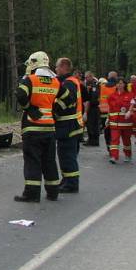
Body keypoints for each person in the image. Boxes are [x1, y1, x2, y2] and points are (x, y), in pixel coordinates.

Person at [14, 51, 61, 203]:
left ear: (33, 63)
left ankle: (32, 194)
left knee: (32, 161)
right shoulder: (55, 81)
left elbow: (20, 94)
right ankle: (53, 192)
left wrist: (29, 107)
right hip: (50, 128)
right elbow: (68, 98)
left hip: (32, 128)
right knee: (49, 161)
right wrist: (54, 110)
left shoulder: (30, 80)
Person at [54, 58, 83, 193]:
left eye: (57, 67)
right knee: (65, 155)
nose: (56, 70)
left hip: (68, 126)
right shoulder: (70, 81)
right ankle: (66, 180)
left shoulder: (69, 83)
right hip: (71, 125)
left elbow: (66, 102)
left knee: (67, 156)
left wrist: (53, 111)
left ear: (64, 67)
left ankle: (71, 184)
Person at [107, 78, 136, 163]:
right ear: (116, 85)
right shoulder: (112, 96)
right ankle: (114, 157)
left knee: (126, 140)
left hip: (126, 123)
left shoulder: (130, 95)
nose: (120, 85)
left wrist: (129, 112)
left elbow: (132, 104)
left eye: (121, 83)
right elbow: (110, 108)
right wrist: (107, 118)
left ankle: (128, 155)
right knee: (114, 140)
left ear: (124, 85)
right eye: (118, 83)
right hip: (114, 122)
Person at [99, 71, 118, 150]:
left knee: (106, 129)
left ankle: (108, 144)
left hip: (103, 111)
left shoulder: (102, 86)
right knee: (114, 130)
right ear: (115, 77)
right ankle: (113, 146)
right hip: (114, 112)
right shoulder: (117, 87)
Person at [83, 71, 100, 147]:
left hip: (93, 107)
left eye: (87, 77)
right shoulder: (88, 84)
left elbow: (93, 97)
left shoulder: (94, 85)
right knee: (90, 124)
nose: (85, 79)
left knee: (92, 124)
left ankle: (93, 140)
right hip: (90, 106)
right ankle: (92, 139)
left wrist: (88, 91)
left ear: (91, 76)